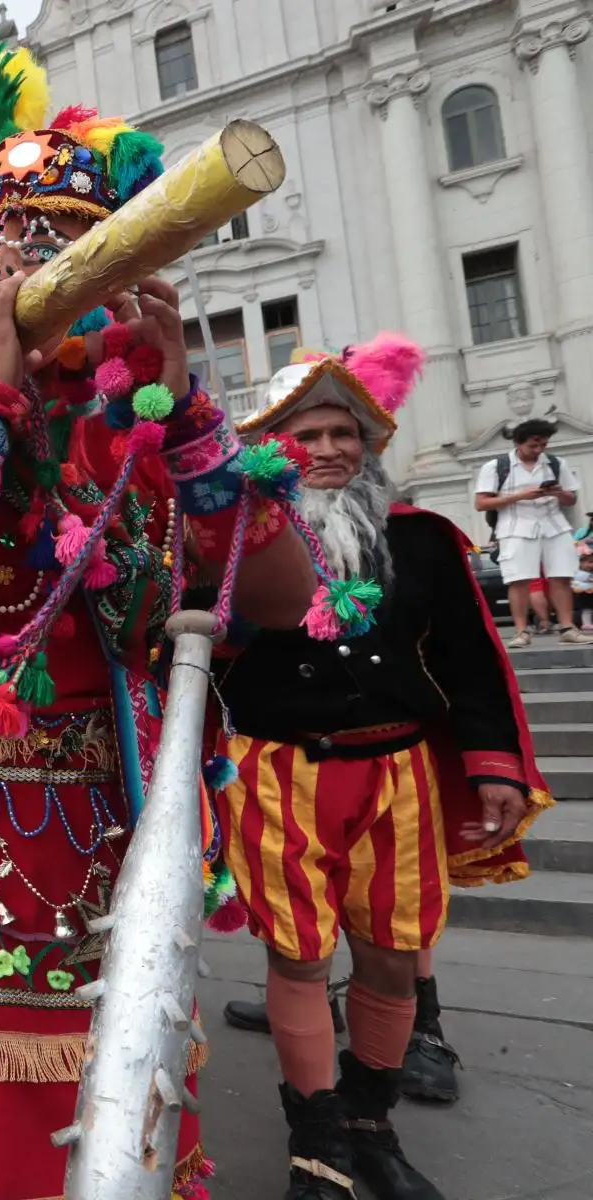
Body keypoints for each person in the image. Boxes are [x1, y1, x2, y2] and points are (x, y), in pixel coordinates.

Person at [0, 4, 329, 1195]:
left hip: (118, 855)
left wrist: (195, 413)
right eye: (17, 262)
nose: (59, 289)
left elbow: (281, 589)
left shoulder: (137, 438)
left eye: (82, 255)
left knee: (136, 1133)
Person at [208, 343, 551, 1199]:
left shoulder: (425, 542)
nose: (326, 450)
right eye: (305, 435)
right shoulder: (235, 547)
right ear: (273, 447)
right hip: (278, 775)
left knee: (395, 961)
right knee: (297, 961)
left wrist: (494, 765)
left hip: (397, 777)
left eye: (343, 432)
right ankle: (315, 1148)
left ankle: (372, 1128)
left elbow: (472, 661)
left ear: (367, 442)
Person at [474, 418, 589, 646]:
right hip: (515, 528)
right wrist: (521, 496)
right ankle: (520, 632)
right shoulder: (496, 467)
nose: (538, 450)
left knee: (561, 577)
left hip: (554, 526)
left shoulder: (556, 464)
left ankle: (567, 627)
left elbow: (571, 499)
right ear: (518, 443)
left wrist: (558, 493)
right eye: (533, 446)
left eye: (543, 445)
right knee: (519, 580)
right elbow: (481, 503)